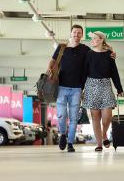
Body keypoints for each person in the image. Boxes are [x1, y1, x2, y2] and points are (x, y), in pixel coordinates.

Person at [46, 25, 90, 153]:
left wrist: (110, 51)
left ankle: (70, 143)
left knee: (74, 117)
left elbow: (93, 60)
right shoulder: (61, 47)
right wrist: (49, 69)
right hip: (61, 87)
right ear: (71, 34)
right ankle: (63, 135)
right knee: (61, 115)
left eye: (79, 33)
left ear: (82, 35)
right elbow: (53, 61)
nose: (76, 34)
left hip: (77, 88)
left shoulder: (86, 50)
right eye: (74, 32)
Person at [82, 31, 124, 152]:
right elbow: (84, 72)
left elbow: (114, 73)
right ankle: (99, 143)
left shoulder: (109, 55)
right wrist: (81, 89)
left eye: (95, 38)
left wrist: (119, 89)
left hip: (106, 85)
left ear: (101, 40)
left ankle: (104, 133)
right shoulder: (89, 54)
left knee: (107, 117)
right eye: (92, 39)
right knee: (95, 117)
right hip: (91, 86)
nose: (92, 40)